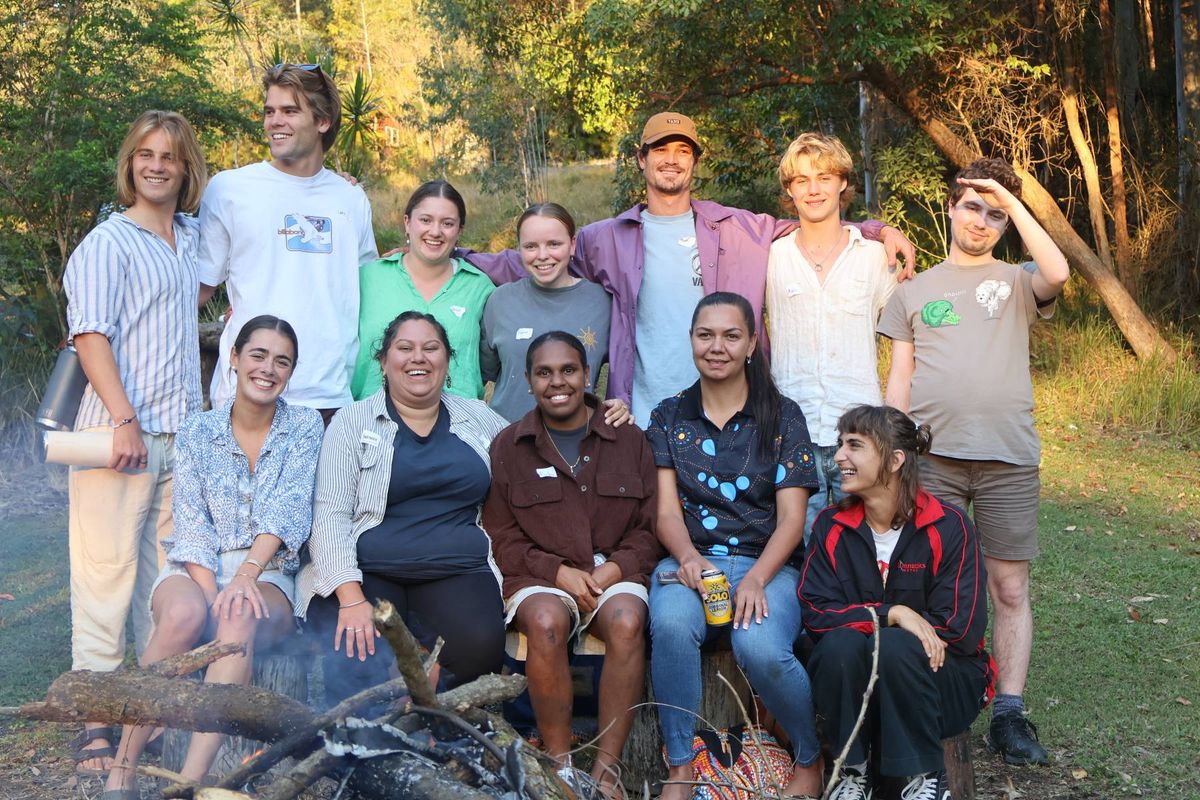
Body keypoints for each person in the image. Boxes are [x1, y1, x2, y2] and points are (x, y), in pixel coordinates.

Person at [464, 112, 916, 425]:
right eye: (660, 149)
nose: (671, 158)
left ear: (695, 161)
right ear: (641, 159)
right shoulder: (608, 238)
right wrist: (450, 256)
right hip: (643, 411)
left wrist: (876, 229)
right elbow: (536, 255)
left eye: (683, 150)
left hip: (732, 409)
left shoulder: (738, 228)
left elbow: (811, 222)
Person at [878, 158, 1069, 766]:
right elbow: (900, 377)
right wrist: (890, 452)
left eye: (995, 213)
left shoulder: (1017, 279)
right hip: (932, 462)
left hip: (1007, 458)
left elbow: (1060, 272)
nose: (982, 221)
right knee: (927, 583)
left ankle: (1009, 714)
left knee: (1008, 586)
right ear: (950, 207)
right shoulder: (912, 292)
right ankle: (936, 691)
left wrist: (1013, 203)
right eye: (972, 206)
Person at [101, 316, 322, 799]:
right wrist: (208, 592)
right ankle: (122, 771)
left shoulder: (304, 426)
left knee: (239, 614)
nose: (268, 368)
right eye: (258, 355)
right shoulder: (198, 429)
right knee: (183, 612)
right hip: (196, 563)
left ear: (291, 372)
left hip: (269, 570)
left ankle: (190, 784)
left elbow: (289, 512)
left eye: (281, 361)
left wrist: (243, 577)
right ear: (235, 359)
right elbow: (191, 521)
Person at [62, 110, 207, 775]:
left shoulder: (191, 239)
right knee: (104, 579)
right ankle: (92, 723)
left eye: (169, 156)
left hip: (181, 435)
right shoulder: (108, 243)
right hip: (120, 432)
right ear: (131, 163)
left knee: (161, 584)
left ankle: (139, 719)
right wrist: (121, 419)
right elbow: (90, 335)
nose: (156, 165)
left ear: (185, 168)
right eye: (145, 154)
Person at [646, 292, 823, 800]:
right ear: (691, 341)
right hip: (692, 560)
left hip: (770, 565)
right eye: (705, 335)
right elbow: (665, 511)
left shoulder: (782, 417)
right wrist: (687, 559)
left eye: (730, 336)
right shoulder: (669, 416)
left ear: (750, 344)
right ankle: (680, 764)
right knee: (674, 623)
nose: (716, 346)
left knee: (758, 644)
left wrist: (757, 578)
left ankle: (808, 756)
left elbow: (792, 520)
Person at [483, 332, 660, 795]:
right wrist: (557, 572)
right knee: (544, 621)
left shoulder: (628, 439)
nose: (556, 382)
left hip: (613, 570)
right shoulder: (509, 445)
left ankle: (606, 769)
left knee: (625, 621)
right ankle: (561, 765)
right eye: (544, 372)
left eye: (568, 371)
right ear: (527, 381)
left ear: (587, 375)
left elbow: (647, 530)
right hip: (542, 574)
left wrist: (611, 571)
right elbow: (501, 536)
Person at [299, 311, 509, 703]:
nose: (418, 358)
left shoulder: (479, 419)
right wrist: (350, 597)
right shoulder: (351, 422)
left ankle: (445, 743)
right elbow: (329, 515)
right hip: (369, 571)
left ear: (447, 361)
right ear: (383, 361)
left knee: (480, 645)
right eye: (405, 348)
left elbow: (532, 447)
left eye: (431, 348)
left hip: (458, 568)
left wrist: (599, 414)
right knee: (356, 650)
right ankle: (363, 751)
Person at [798, 405, 994, 800]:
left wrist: (889, 634)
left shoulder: (948, 525)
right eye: (840, 445)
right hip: (852, 688)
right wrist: (891, 614)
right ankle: (851, 771)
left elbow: (962, 627)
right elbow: (815, 614)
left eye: (854, 446)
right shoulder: (830, 526)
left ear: (894, 460)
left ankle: (922, 777)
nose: (838, 457)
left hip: (940, 684)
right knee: (838, 644)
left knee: (896, 646)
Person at [198, 63, 378, 423]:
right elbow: (195, 291)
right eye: (269, 111)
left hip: (330, 400)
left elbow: (367, 288)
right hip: (247, 398)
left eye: (290, 111)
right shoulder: (229, 189)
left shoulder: (350, 197)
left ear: (323, 121)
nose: (274, 121)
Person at [766, 133, 897, 532]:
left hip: (861, 434)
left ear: (843, 182)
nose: (814, 189)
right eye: (801, 180)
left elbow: (909, 341)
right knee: (797, 552)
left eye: (824, 176)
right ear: (789, 190)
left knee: (862, 553)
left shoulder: (876, 257)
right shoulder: (770, 256)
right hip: (791, 433)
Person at [352, 180, 494, 401]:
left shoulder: (479, 287)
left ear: (460, 230)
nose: (435, 231)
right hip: (373, 423)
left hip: (459, 426)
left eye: (447, 223)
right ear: (407, 223)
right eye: (425, 220)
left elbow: (491, 361)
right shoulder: (367, 279)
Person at [480, 204, 613, 422]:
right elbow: (487, 372)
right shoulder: (500, 301)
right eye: (531, 246)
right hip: (508, 438)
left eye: (554, 244)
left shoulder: (601, 301)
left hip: (578, 441)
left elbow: (622, 371)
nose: (542, 255)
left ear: (572, 245)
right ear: (520, 249)